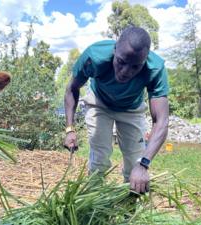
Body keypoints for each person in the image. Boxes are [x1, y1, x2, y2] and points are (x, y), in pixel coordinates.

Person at [63, 26, 169, 194]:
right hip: (99, 103)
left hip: (131, 109)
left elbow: (161, 121)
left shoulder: (155, 69)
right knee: (99, 157)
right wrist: (69, 129)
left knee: (135, 160)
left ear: (145, 60)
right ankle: (93, 201)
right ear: (115, 50)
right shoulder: (94, 56)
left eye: (135, 66)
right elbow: (72, 89)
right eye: (121, 62)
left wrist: (144, 164)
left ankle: (131, 208)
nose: (126, 71)